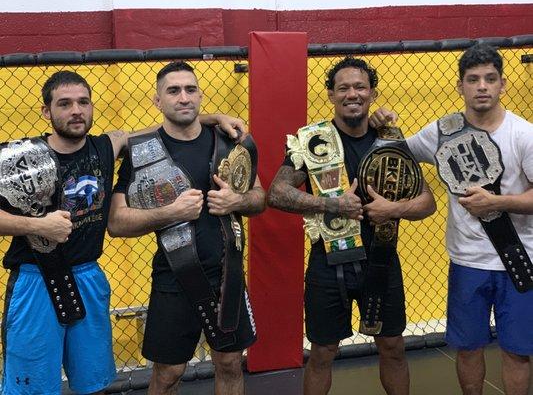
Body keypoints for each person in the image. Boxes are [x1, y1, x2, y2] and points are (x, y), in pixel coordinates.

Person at [0, 70, 247, 394]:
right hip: (36, 278)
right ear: (47, 111)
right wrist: (36, 224)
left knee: (93, 383)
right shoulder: (20, 157)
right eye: (65, 103)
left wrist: (213, 116)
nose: (76, 110)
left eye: (83, 102)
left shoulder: (107, 146)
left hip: (88, 276)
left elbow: (162, 131)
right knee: (31, 387)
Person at [267, 57, 436, 395]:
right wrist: (331, 204)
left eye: (360, 87)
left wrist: (394, 208)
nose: (352, 94)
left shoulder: (390, 139)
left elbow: (427, 203)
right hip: (329, 262)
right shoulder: (313, 141)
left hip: (382, 259)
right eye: (343, 88)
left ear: (372, 93)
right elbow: (276, 192)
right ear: (331, 95)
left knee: (392, 346)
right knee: (323, 353)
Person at [373, 44, 533, 395]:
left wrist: (498, 201)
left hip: (518, 260)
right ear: (460, 85)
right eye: (473, 79)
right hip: (467, 261)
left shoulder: (524, 134)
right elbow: (397, 150)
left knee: (518, 353)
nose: (482, 86)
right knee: (469, 347)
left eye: (490, 79)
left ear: (502, 84)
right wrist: (379, 125)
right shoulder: (442, 131)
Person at [108, 61, 265, 395]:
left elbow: (260, 198)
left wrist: (236, 202)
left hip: (227, 272)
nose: (183, 97)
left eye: (190, 89)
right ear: (157, 101)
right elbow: (116, 223)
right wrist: (171, 212)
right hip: (173, 276)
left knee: (230, 362)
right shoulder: (140, 152)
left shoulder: (228, 141)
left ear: (200, 95)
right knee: (168, 373)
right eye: (173, 91)